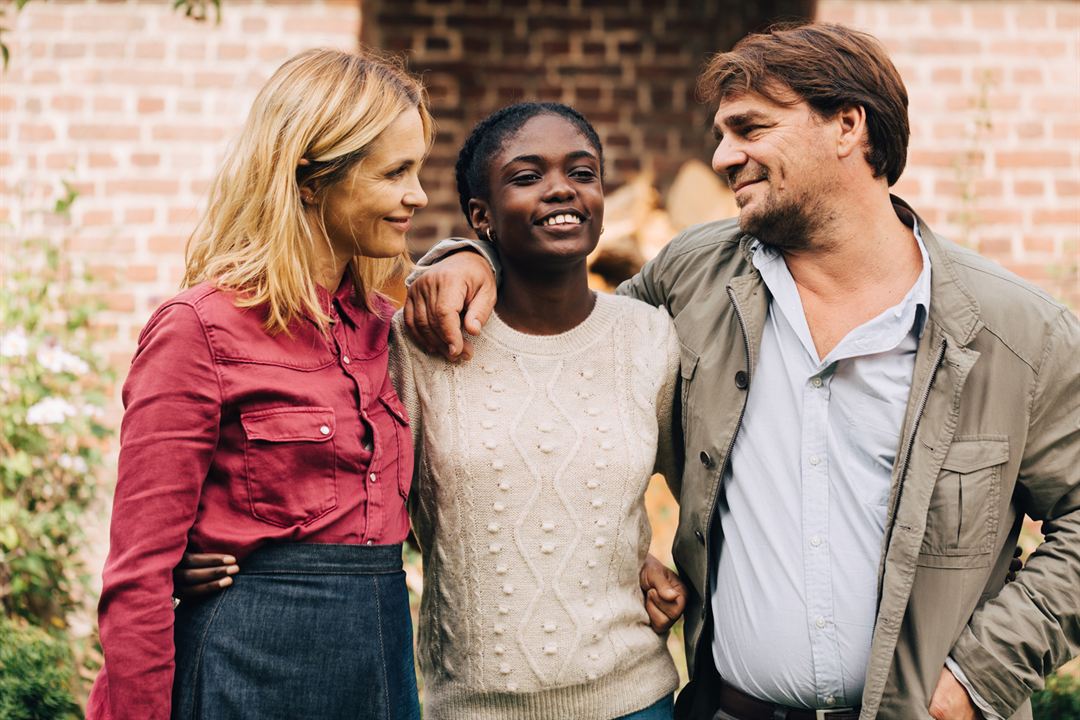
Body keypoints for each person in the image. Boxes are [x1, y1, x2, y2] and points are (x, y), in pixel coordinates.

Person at [404, 22, 1080, 720]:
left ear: (847, 126)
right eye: (723, 134)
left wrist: (976, 678)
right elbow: (559, 345)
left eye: (750, 129)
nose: (724, 157)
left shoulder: (1018, 332)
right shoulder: (692, 275)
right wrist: (468, 256)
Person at [88, 48, 434, 720]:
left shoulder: (390, 334)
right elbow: (138, 578)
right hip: (243, 670)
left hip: (377, 660)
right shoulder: (198, 330)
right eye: (396, 173)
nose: (417, 195)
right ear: (309, 180)